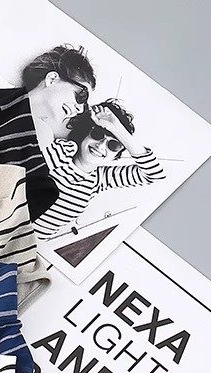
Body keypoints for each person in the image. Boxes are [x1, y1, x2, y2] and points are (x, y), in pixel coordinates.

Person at [33, 100, 166, 240]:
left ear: (116, 155)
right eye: (98, 134)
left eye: (113, 145)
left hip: (31, 246)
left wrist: (117, 128)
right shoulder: (64, 149)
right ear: (86, 132)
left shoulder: (102, 179)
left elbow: (155, 174)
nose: (101, 146)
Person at [22, 45, 97, 142]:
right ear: (52, 79)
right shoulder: (3, 93)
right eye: (82, 96)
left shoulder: (44, 139)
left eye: (85, 106)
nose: (80, 109)